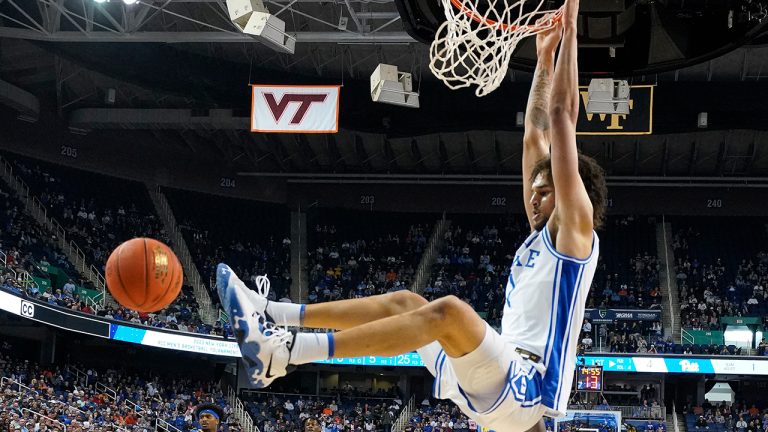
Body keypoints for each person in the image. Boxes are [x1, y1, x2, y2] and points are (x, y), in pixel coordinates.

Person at [217, 0, 605, 429]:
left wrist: (570, 24)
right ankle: (272, 312)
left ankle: (285, 352)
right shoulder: (539, 236)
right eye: (533, 191)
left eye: (544, 191)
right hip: (493, 378)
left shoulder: (576, 232)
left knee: (450, 312)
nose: (533, 198)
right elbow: (536, 130)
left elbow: (560, 118)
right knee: (407, 302)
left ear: (574, 195)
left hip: (527, 387)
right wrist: (545, 56)